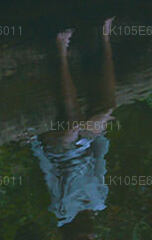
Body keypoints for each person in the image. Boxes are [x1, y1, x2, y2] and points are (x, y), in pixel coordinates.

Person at [30, 18, 118, 237]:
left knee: (72, 126)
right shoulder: (99, 201)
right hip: (86, 144)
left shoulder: (62, 211)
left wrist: (34, 143)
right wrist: (101, 131)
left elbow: (49, 174)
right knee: (108, 108)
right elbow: (100, 161)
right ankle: (105, 38)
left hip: (60, 151)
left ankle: (61, 50)